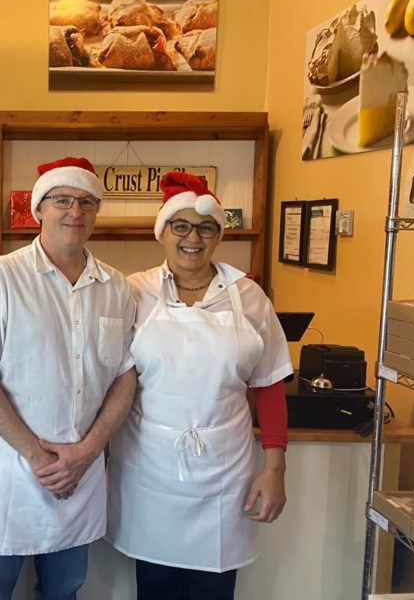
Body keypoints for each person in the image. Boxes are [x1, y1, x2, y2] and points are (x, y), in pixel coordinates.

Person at [0, 156, 137, 600]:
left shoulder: (116, 287)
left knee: (64, 591)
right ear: (39, 209)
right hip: (13, 470)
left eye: (86, 202)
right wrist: (37, 457)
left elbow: (124, 377)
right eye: (61, 200)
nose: (74, 212)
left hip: (82, 471)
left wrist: (86, 452)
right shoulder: (0, 277)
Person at [105, 171, 292, 600]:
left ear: (219, 235)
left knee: (215, 587)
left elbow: (268, 385)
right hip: (148, 469)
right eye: (181, 225)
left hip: (225, 474)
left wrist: (275, 468)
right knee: (155, 586)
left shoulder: (248, 296)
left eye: (206, 227)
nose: (193, 237)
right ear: (163, 233)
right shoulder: (133, 292)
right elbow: (109, 376)